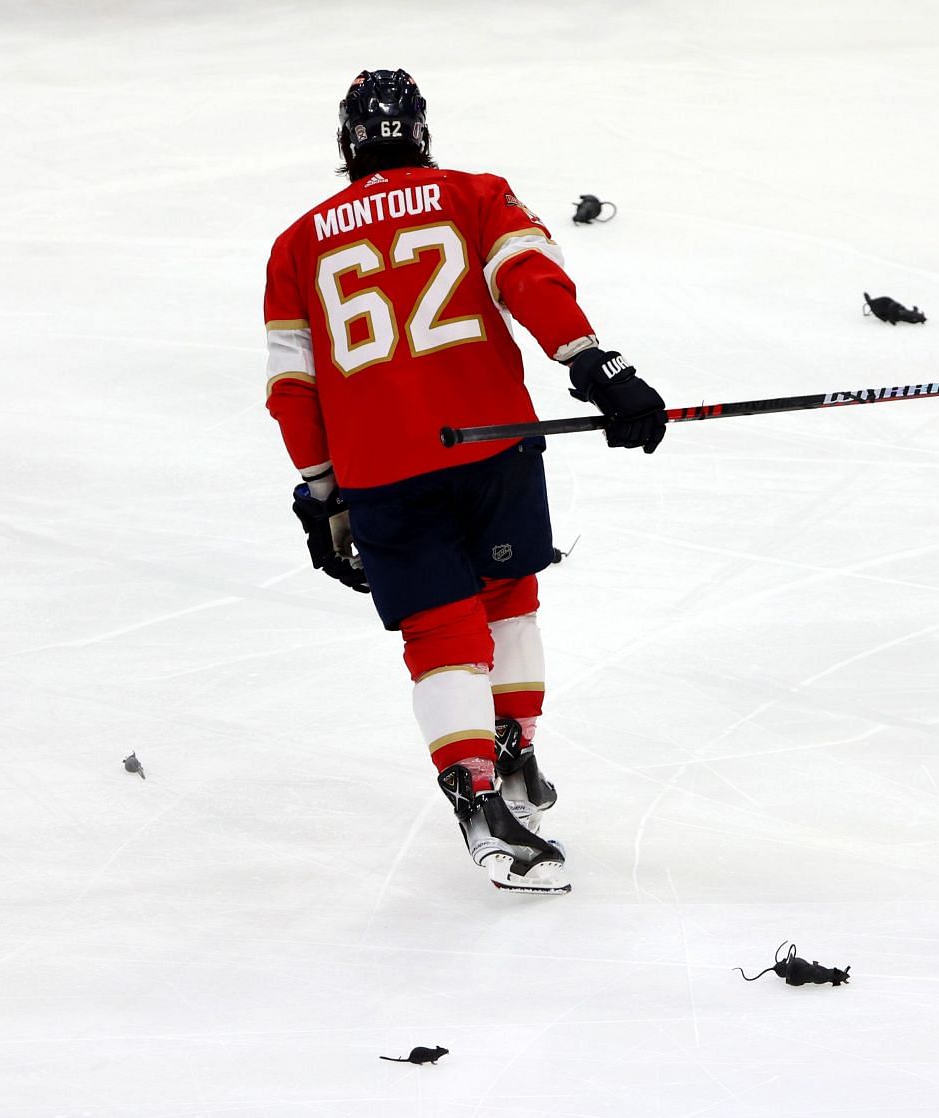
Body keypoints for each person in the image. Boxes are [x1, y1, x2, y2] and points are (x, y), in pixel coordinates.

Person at [263, 69, 666, 894]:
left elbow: (290, 387)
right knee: (508, 589)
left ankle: (480, 797)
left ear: (346, 146)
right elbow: (530, 279)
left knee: (441, 630)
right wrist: (594, 364)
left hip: (382, 468)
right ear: (421, 133)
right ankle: (511, 751)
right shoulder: (476, 194)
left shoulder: (297, 243)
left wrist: (319, 492)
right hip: (492, 443)